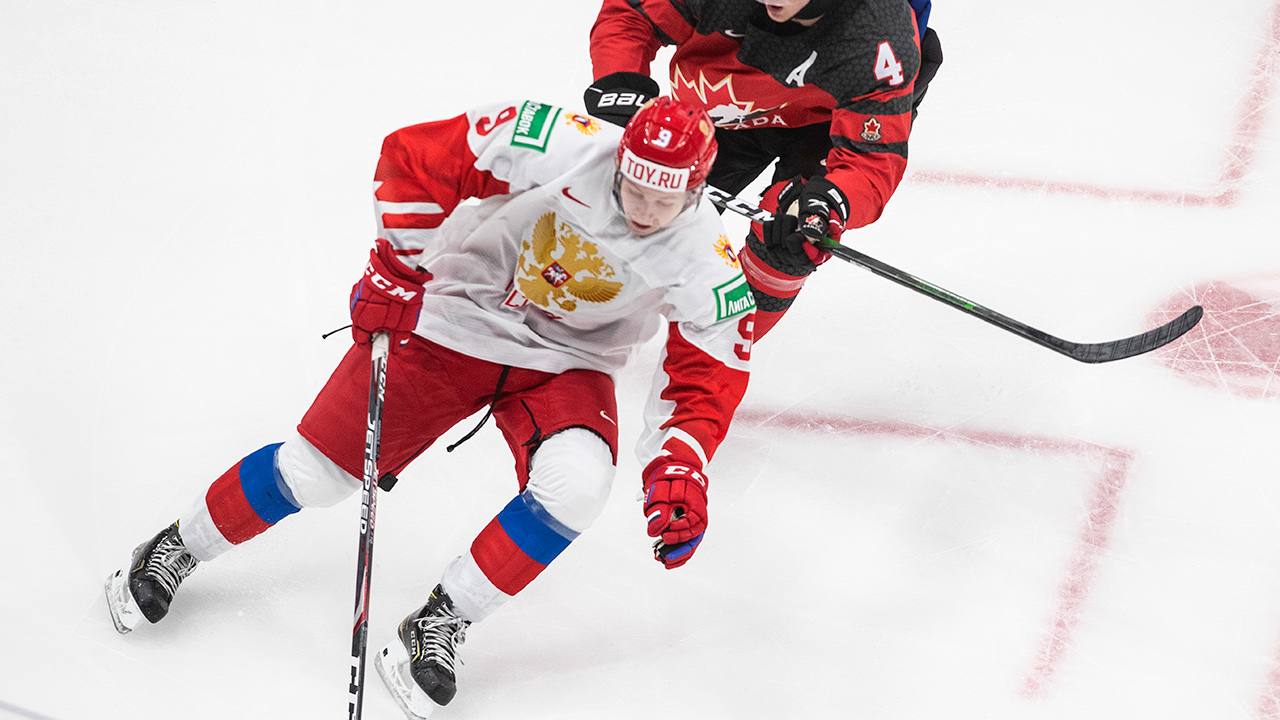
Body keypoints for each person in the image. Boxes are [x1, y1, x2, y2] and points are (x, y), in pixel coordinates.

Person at [103, 96, 755, 718]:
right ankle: (177, 545)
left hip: (565, 364)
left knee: (579, 486)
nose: (643, 208)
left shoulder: (708, 261)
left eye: (662, 199)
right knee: (313, 475)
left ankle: (442, 620)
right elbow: (419, 155)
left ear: (696, 191)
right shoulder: (564, 143)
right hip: (455, 313)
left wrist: (681, 460)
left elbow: (711, 368)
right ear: (619, 162)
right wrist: (395, 265)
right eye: (633, 189)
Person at [585, 0, 944, 338]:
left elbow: (872, 161)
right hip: (722, 107)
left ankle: (718, 350)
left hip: (827, 124)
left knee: (791, 237)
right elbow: (633, 13)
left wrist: (834, 201)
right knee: (643, 201)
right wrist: (620, 85)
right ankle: (577, 322)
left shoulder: (879, 36)